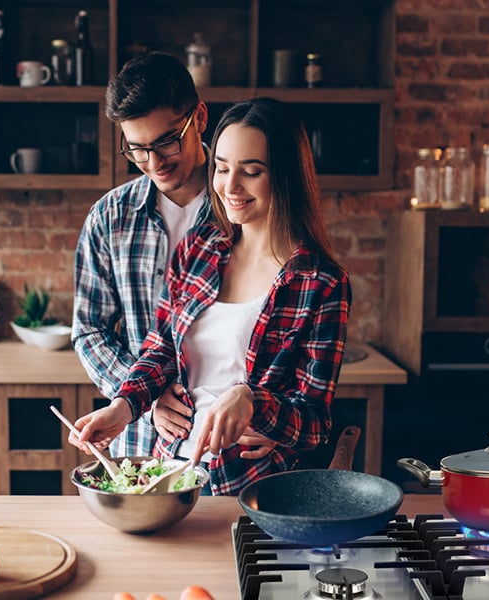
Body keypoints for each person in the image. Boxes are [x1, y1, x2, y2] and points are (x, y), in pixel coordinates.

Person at [70, 98, 351, 496]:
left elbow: (314, 423)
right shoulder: (198, 250)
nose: (230, 187)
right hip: (166, 476)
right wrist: (124, 407)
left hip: (253, 488)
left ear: (286, 176)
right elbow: (161, 349)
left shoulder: (321, 282)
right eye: (221, 168)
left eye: (251, 171)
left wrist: (253, 401)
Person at [72, 51, 212, 458]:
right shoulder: (109, 217)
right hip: (140, 443)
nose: (153, 163)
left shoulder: (242, 208)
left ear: (199, 118)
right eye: (136, 149)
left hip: (228, 446)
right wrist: (143, 399)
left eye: (167, 141)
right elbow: (88, 329)